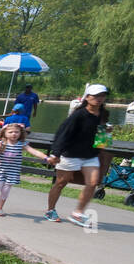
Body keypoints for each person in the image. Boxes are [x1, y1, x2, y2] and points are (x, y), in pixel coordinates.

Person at [45, 83, 109, 226]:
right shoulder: (78, 115)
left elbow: (102, 137)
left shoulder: (103, 114)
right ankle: (50, 210)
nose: (99, 99)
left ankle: (78, 213)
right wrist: (56, 153)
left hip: (90, 155)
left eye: (102, 96)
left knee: (92, 183)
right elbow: (63, 133)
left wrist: (105, 137)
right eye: (96, 96)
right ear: (87, 97)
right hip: (70, 154)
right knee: (61, 182)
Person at [0, 122, 49, 216]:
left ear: (20, 133)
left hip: (12, 172)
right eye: (11, 132)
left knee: (5, 191)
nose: (14, 134)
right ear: (5, 133)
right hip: (0, 170)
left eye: (16, 132)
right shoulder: (1, 143)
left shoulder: (22, 144)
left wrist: (46, 157)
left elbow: (33, 151)